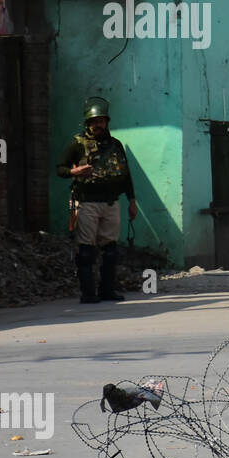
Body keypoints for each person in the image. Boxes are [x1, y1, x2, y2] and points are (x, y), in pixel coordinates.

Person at [57, 97, 138, 304]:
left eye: (101, 121)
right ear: (87, 123)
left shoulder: (116, 145)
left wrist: (132, 200)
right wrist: (76, 171)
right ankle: (88, 293)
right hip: (86, 202)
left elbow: (126, 175)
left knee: (110, 250)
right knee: (86, 251)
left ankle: (107, 290)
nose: (98, 125)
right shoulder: (77, 144)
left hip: (111, 202)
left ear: (107, 122)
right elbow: (61, 169)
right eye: (94, 121)